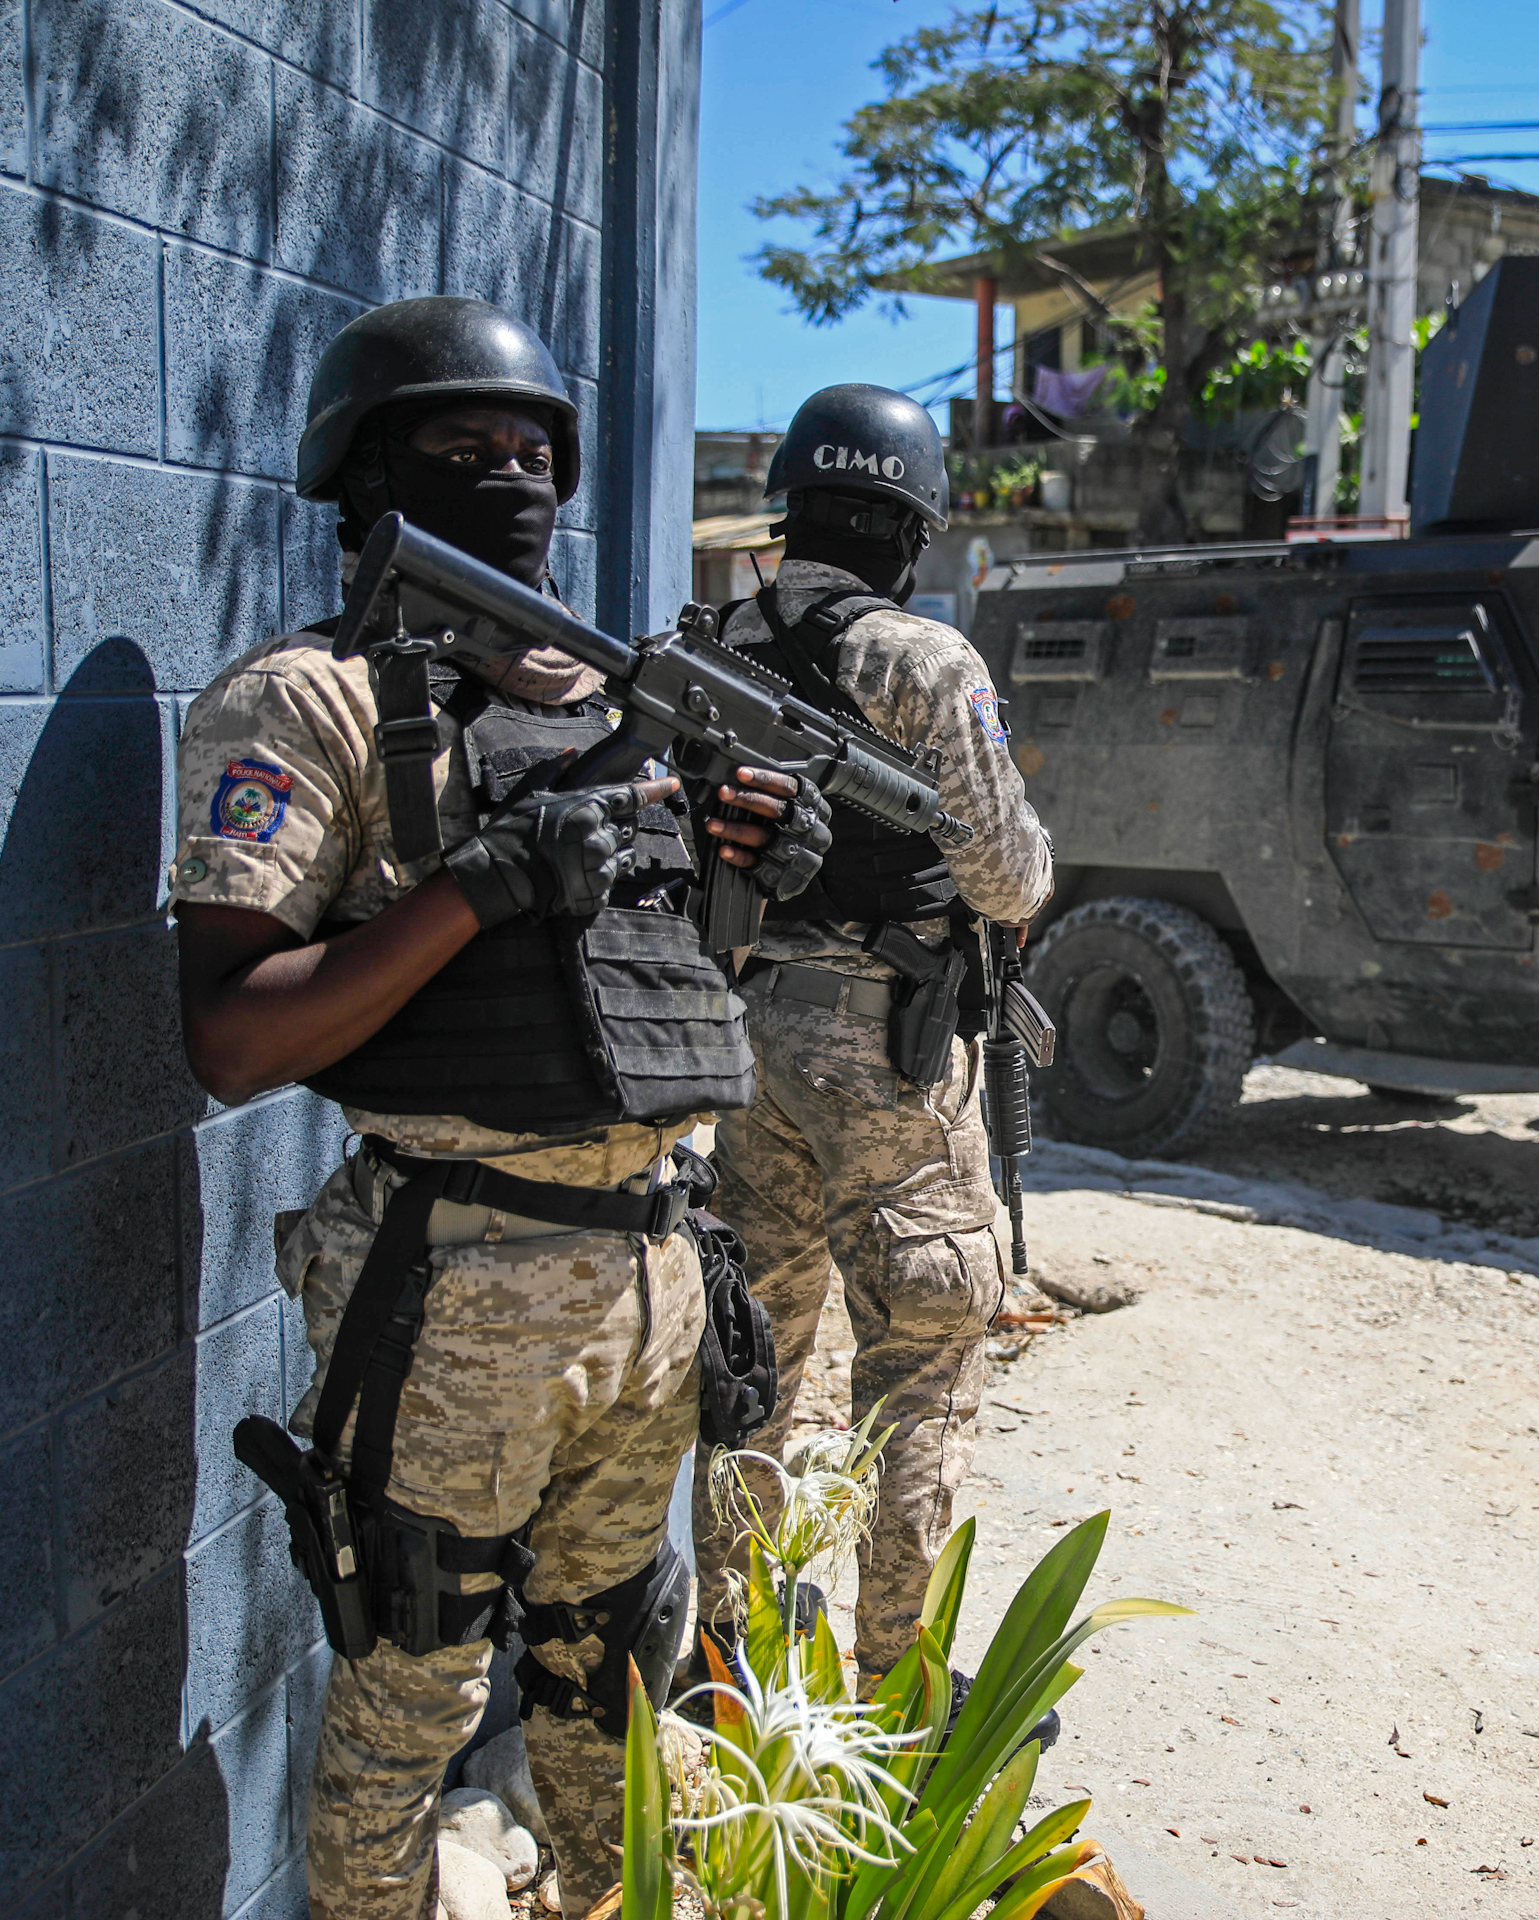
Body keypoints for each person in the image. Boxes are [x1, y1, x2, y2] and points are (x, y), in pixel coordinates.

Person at [170, 295, 808, 1920]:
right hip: (461, 1290)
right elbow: (235, 1042)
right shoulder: (300, 704)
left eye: (534, 452)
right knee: (415, 1692)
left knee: (612, 1673)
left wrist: (753, 877)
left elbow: (650, 1008)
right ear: (366, 476)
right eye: (464, 449)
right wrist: (483, 885)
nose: (512, 475)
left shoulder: (600, 709)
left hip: (659, 1268)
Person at [686, 384, 1054, 1705]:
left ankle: (729, 1663)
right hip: (882, 1048)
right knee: (921, 1351)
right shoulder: (928, 663)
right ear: (916, 525)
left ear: (793, 508)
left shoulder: (712, 639)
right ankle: (897, 1687)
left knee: (754, 1355)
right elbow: (1006, 877)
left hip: (734, 1033)